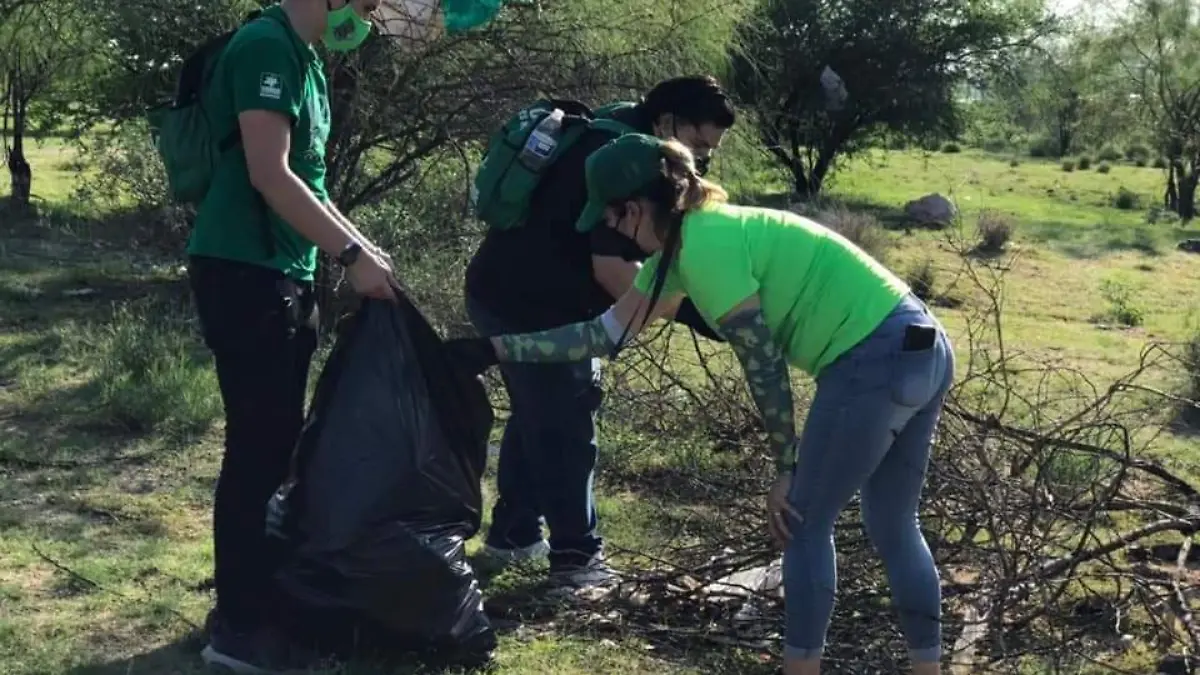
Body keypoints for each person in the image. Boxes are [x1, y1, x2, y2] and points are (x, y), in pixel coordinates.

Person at [446, 133, 955, 675]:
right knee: (894, 525)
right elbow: (602, 335)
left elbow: (763, 364)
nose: (611, 232)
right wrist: (495, 348)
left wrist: (787, 465)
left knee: (802, 523)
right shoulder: (692, 245)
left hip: (871, 359)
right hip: (924, 345)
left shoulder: (706, 248)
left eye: (612, 219)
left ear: (636, 209)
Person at [185, 1, 397, 671]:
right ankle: (239, 631)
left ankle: (253, 600)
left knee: (276, 448)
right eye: (365, 0)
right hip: (244, 271)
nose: (369, 13)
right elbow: (268, 171)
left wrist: (360, 248)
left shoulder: (308, 61)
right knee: (257, 449)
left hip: (283, 271)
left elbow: (310, 181)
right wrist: (349, 255)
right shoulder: (264, 47)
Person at [461, 75, 736, 589]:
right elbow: (613, 272)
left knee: (538, 411)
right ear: (668, 122)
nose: (702, 161)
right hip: (532, 305)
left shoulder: (609, 131)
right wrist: (708, 317)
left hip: (498, 290)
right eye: (698, 145)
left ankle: (514, 538)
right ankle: (577, 560)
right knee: (567, 423)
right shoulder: (628, 161)